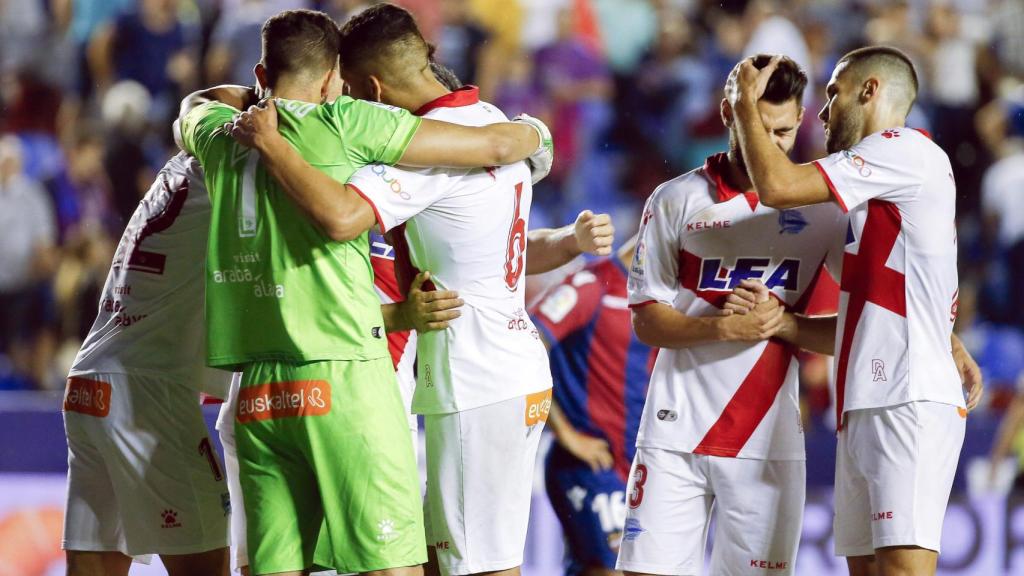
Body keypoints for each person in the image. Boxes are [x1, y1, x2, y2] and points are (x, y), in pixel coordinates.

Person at [224, 6, 601, 576]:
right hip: (505, 367)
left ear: (369, 88)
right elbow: (509, 195)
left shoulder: (424, 159)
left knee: (477, 566)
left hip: (475, 380)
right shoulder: (492, 120)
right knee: (436, 556)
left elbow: (343, 216)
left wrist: (271, 142)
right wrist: (539, 136)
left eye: (348, 92)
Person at [727, 47, 983, 576]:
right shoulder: (867, 197)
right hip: (865, 403)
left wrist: (744, 102)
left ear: (870, 91)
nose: (821, 113)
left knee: (901, 569)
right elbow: (868, 318)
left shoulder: (905, 150)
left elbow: (777, 187)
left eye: (832, 94)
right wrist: (790, 325)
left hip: (906, 399)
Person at [617, 54, 846, 576]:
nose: (773, 145)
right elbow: (646, 318)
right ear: (728, 114)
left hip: (768, 441)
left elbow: (861, 329)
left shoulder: (825, 211)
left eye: (785, 132)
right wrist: (722, 326)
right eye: (759, 128)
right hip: (674, 432)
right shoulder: (675, 199)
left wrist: (785, 325)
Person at [62, 151, 234, 576]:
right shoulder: (238, 160)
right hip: (148, 388)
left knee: (95, 562)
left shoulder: (176, 166)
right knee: (206, 563)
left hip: (91, 378)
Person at [530, 235, 653, 576]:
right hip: (592, 462)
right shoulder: (592, 285)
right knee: (608, 569)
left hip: (638, 466)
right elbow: (524, 342)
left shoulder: (669, 299)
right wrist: (565, 433)